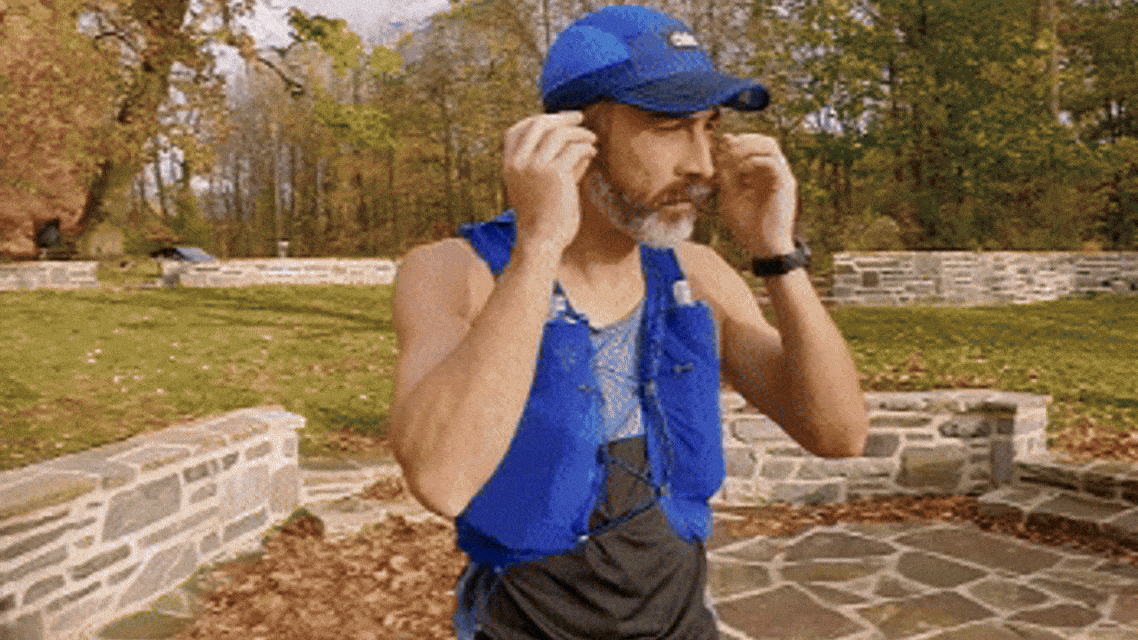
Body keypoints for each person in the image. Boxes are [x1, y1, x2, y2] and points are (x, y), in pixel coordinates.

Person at [388, 6, 869, 639]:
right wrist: (538, 248)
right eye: (668, 126)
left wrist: (776, 253)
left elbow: (839, 434)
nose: (702, 165)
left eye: (708, 127)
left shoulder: (696, 275)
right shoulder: (457, 272)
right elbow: (442, 480)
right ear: (572, 136)